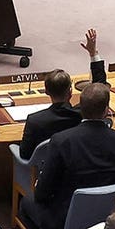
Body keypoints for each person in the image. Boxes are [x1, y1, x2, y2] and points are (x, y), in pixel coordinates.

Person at [21, 83, 115, 229]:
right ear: (107, 110)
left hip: (65, 222)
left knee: (27, 204)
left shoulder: (62, 141)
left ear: (79, 105)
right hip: (111, 217)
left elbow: (42, 193)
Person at [18, 29, 107, 159]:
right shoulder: (83, 113)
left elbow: (24, 154)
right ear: (70, 92)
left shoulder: (35, 121)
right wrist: (93, 53)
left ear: (46, 91)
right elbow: (100, 89)